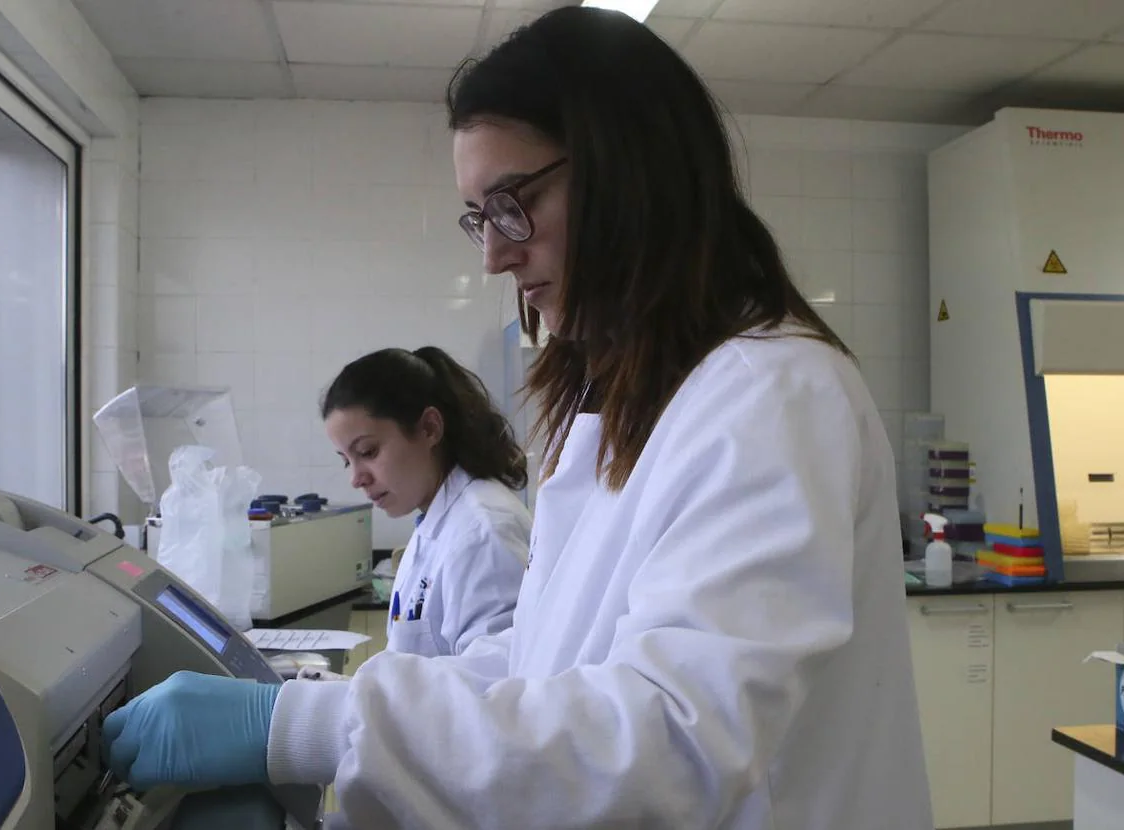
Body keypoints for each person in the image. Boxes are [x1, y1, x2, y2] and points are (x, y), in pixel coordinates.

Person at [100, 7, 933, 829]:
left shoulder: (771, 394)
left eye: (513, 201)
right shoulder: (627, 399)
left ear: (629, 172)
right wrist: (313, 713)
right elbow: (542, 663)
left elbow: (671, 740)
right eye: (480, 217)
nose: (495, 253)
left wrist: (302, 731)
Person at [303, 346, 531, 677]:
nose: (356, 478)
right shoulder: (437, 520)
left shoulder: (483, 532)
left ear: (429, 429)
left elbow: (493, 695)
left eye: (368, 451)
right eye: (346, 460)